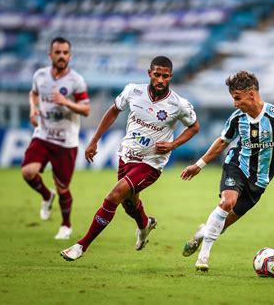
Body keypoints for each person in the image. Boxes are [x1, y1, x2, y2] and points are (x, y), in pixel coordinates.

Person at [60, 56, 199, 261]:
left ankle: (82, 245)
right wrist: (94, 140)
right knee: (129, 204)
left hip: (151, 163)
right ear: (149, 73)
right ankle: (145, 225)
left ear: (171, 77)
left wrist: (173, 144)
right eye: (157, 75)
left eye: (165, 76)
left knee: (114, 196)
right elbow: (114, 110)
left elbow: (194, 127)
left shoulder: (178, 104)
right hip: (127, 155)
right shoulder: (133, 91)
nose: (160, 80)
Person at [180, 71, 274, 271]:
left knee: (222, 224)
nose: (235, 104)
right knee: (227, 202)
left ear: (251, 94)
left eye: (237, 98)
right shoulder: (237, 118)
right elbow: (222, 142)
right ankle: (203, 257)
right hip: (237, 165)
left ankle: (202, 232)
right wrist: (198, 165)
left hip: (259, 181)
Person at [21, 37, 90, 240]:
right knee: (28, 172)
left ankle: (66, 225)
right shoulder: (40, 75)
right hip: (43, 134)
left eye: (65, 53)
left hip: (65, 141)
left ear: (69, 55)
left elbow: (86, 109)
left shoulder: (76, 81)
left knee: (63, 188)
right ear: (50, 54)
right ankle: (45, 195)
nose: (61, 56)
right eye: (57, 52)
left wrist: (65, 102)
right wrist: (33, 109)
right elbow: (33, 94)